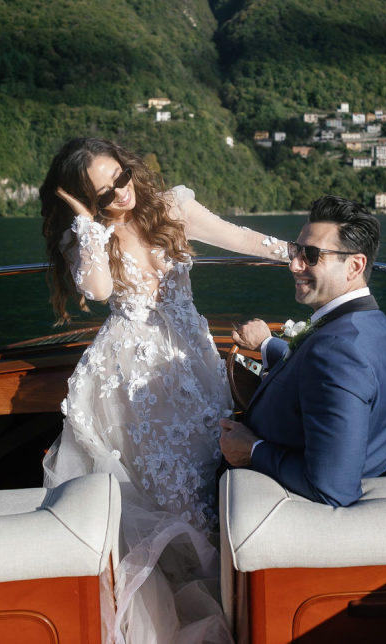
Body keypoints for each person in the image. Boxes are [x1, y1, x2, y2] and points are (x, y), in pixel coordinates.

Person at [39, 137, 287, 644]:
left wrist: (301, 255)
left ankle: (230, 594)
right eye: (104, 193)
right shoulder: (87, 236)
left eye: (121, 178)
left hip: (190, 359)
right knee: (164, 491)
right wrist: (88, 223)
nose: (121, 193)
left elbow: (237, 237)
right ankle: (176, 607)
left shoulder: (172, 206)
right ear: (87, 201)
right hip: (132, 374)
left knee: (206, 472)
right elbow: (98, 291)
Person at [219, 194, 386, 508]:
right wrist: (267, 344)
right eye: (296, 250)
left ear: (355, 265)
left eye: (311, 254)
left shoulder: (337, 353)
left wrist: (251, 448)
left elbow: (331, 487)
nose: (294, 264)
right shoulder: (383, 330)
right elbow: (315, 370)